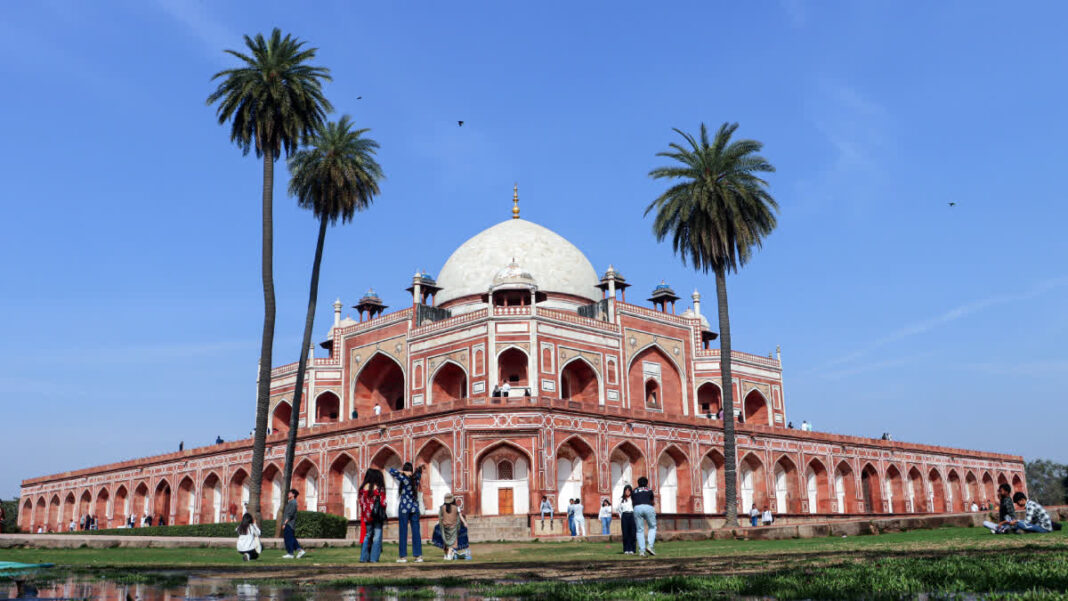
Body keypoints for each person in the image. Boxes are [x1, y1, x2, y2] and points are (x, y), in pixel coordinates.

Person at [388, 462, 424, 563]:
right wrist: (413, 471)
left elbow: (391, 470)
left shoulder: (403, 478)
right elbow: (420, 470)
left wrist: (403, 472)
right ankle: (418, 556)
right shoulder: (416, 478)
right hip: (414, 508)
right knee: (416, 532)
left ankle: (403, 556)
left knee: (403, 532)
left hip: (404, 508)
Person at [358, 468, 386, 562]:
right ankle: (374, 559)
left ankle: (363, 558)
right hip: (377, 516)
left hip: (367, 516)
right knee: (377, 537)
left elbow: (361, 503)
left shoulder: (362, 489)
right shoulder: (379, 489)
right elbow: (383, 503)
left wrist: (366, 512)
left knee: (367, 536)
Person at [437, 493, 468, 560]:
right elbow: (460, 516)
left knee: (445, 541)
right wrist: (465, 522)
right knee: (453, 541)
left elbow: (440, 517)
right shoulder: (457, 508)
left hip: (444, 527)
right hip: (453, 527)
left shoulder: (442, 508)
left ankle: (445, 555)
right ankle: (449, 554)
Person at [632, 477, 656, 557]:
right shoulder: (649, 490)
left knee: (639, 530)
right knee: (652, 527)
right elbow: (652, 501)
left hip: (637, 507)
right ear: (646, 483)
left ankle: (642, 551)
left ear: (638, 483)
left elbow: (633, 500)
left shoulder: (634, 490)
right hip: (648, 506)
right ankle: (650, 546)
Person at [281, 489, 306, 559]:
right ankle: (299, 550)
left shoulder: (293, 503)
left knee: (289, 538)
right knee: (291, 538)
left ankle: (291, 553)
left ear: (293, 495)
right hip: (289, 523)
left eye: (290, 493)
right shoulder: (291, 502)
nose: (288, 494)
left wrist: (284, 523)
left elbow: (290, 514)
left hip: (289, 524)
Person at [618, 485, 637, 555]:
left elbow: (635, 508)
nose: (627, 492)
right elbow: (619, 509)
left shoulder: (633, 499)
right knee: (625, 533)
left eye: (629, 490)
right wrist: (622, 517)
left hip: (632, 515)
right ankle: (626, 549)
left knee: (632, 533)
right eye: (626, 490)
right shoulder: (621, 499)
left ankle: (632, 549)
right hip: (624, 516)